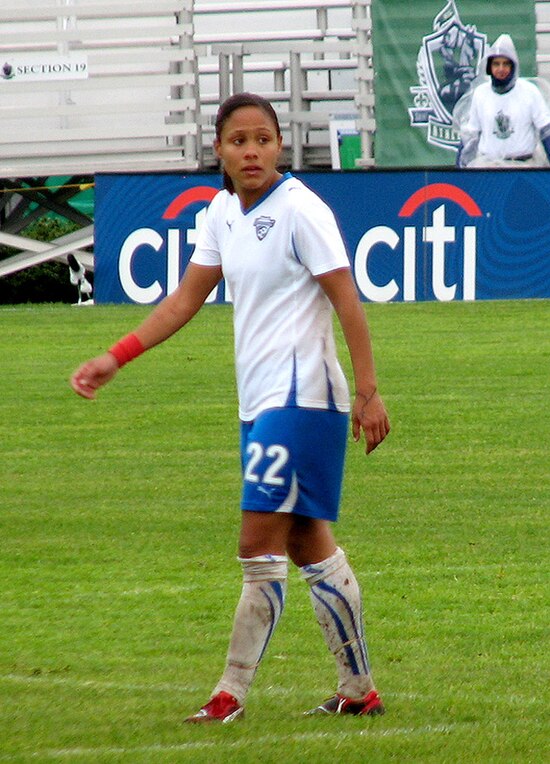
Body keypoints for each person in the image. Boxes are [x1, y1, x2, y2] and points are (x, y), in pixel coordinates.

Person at [70, 92, 390, 723]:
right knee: (307, 542)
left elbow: (347, 299)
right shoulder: (220, 213)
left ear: (280, 146)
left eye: (264, 139)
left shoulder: (301, 209)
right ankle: (359, 691)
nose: (252, 151)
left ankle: (229, 694)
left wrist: (368, 390)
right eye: (239, 140)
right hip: (261, 403)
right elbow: (184, 300)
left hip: (301, 399)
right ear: (217, 148)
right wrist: (117, 355)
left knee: (256, 544)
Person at [456, 34, 550, 168]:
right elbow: (470, 137)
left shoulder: (530, 92)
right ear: (489, 67)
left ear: (513, 67)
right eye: (496, 64)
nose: (501, 69)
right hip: (488, 168)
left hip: (524, 167)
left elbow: (546, 132)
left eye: (506, 64)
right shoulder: (480, 94)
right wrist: (459, 171)